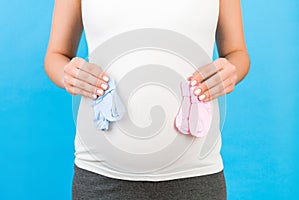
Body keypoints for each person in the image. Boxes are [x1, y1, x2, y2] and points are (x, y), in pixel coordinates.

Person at [44, 0, 250, 199]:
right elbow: (56, 55)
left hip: (197, 173)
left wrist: (231, 71)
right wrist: (67, 74)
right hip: (100, 175)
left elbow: (237, 53)